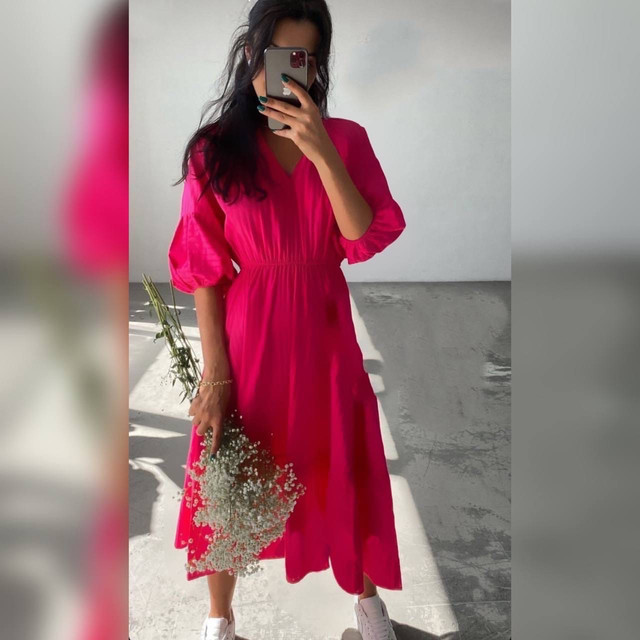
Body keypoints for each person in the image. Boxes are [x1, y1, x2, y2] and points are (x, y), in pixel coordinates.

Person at [167, 2, 406, 638]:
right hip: (251, 338)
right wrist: (215, 374)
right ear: (251, 54)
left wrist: (322, 151)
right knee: (229, 462)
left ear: (318, 66)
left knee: (344, 459)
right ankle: (219, 618)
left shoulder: (346, 139)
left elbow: (361, 236)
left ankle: (367, 602)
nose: (291, 72)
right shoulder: (215, 150)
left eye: (306, 59)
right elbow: (205, 268)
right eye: (277, 55)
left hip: (326, 335)